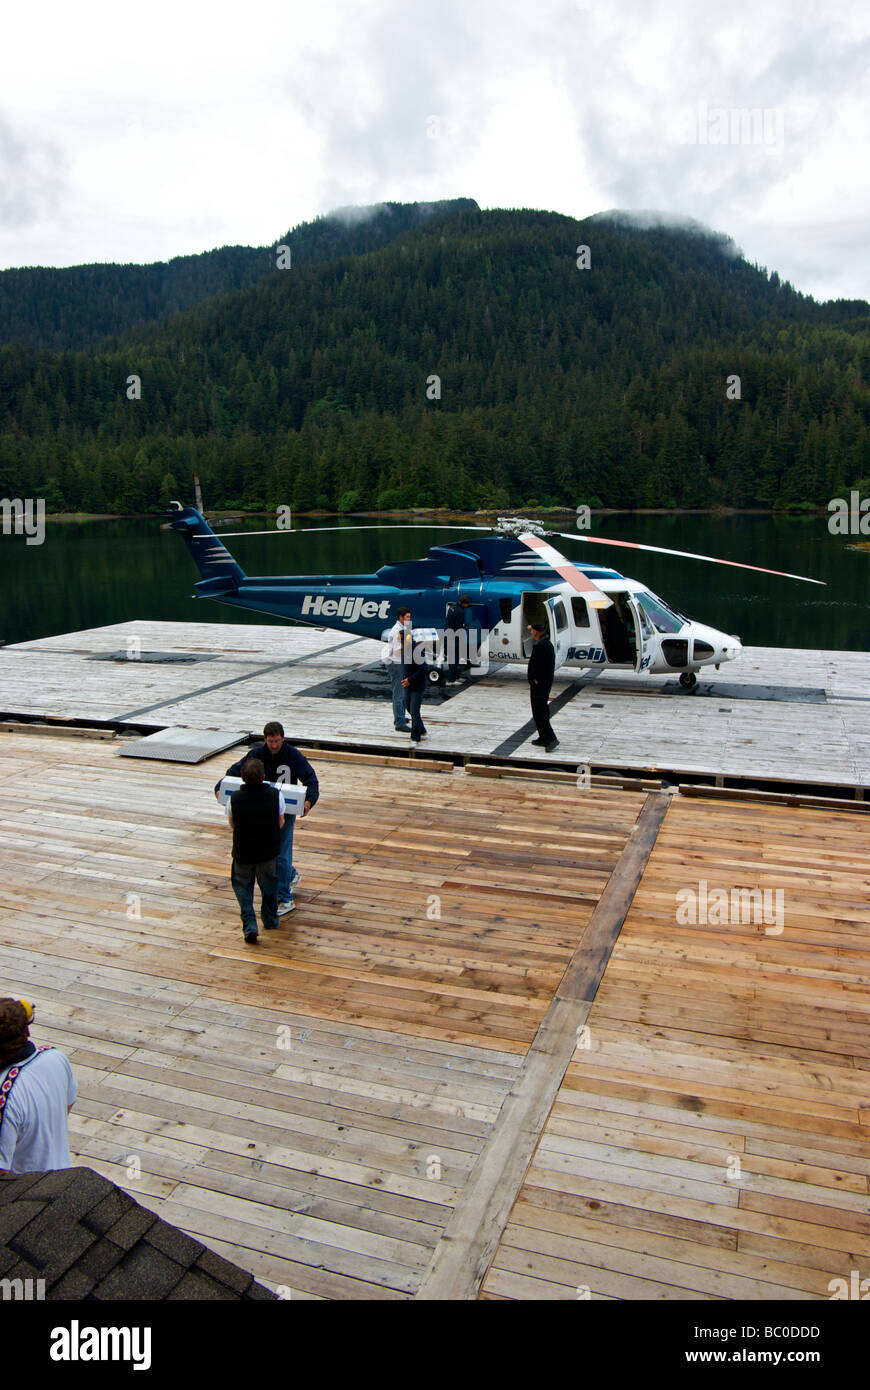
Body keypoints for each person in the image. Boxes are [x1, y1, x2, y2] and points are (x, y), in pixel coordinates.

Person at [216, 721, 318, 916]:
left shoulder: (293, 755)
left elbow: (311, 780)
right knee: (271, 849)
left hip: (285, 809)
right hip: (262, 807)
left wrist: (309, 801)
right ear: (265, 739)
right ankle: (289, 873)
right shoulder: (256, 754)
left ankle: (284, 898)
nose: (274, 745)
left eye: (277, 741)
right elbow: (233, 772)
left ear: (283, 739)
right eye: (270, 741)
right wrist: (219, 787)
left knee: (281, 849)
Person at [0, 998, 77, 1175]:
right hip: (63, 1180)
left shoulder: (4, 1096)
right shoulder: (55, 1056)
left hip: (27, 1196)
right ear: (27, 1031)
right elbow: (68, 1104)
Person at [227, 759, 284, 943]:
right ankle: (270, 920)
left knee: (243, 889)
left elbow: (232, 824)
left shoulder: (234, 798)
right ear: (263, 776)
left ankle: (250, 925)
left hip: (243, 853)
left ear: (243, 778)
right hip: (267, 853)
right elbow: (280, 822)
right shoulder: (275, 795)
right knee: (269, 888)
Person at [527, 620, 559, 752]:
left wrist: (536, 679)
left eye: (532, 630)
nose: (530, 632)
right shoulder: (542, 643)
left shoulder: (543, 645)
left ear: (536, 631)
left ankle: (551, 738)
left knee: (540, 712)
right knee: (537, 711)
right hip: (539, 684)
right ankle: (543, 737)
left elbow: (542, 666)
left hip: (540, 685)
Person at [384, 607, 412, 730]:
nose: (409, 619)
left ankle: (401, 715)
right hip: (395, 663)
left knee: (403, 690)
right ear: (400, 617)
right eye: (407, 617)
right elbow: (396, 652)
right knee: (398, 693)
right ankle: (399, 722)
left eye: (409, 617)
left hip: (400, 662)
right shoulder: (396, 632)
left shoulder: (403, 629)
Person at [402, 630, 429, 743]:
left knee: (414, 711)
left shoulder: (416, 651)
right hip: (407, 684)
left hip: (417, 686)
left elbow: (423, 669)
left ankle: (415, 737)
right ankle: (421, 728)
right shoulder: (405, 650)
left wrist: (410, 680)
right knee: (409, 707)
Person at [445, 595, 471, 681]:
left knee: (450, 657)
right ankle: (451, 679)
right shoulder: (460, 611)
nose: (468, 606)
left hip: (447, 634)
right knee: (455, 658)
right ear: (464, 603)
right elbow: (459, 626)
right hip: (455, 637)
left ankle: (454, 676)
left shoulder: (452, 607)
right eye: (467, 604)